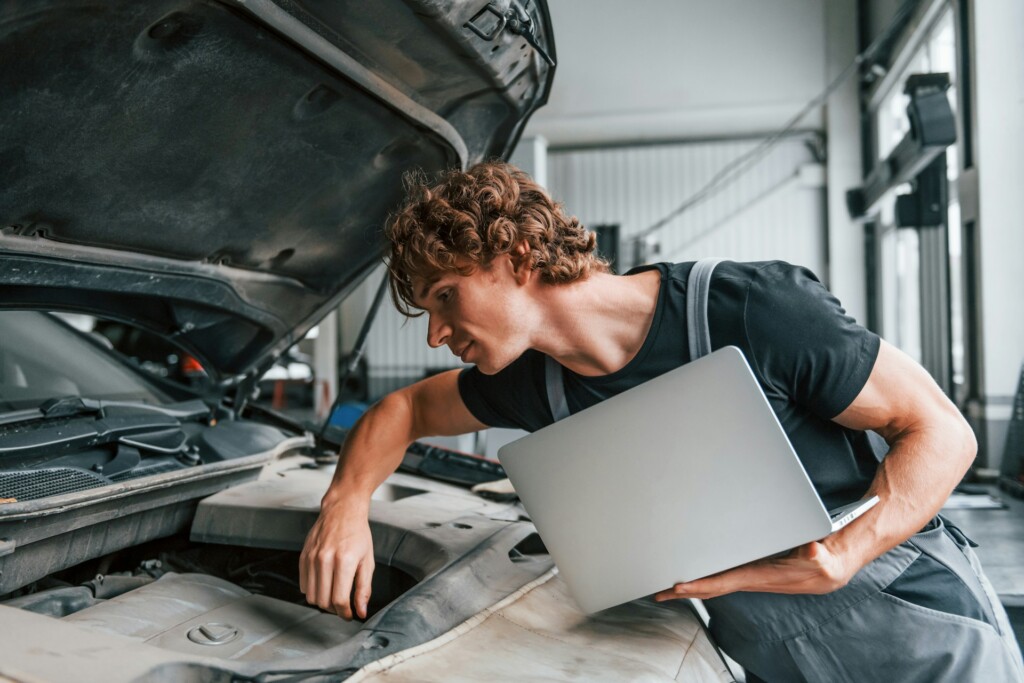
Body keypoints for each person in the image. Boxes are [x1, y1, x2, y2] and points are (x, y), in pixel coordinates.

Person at [300, 161, 1024, 681]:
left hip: (923, 634)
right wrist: (345, 505)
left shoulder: (749, 308)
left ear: (516, 255)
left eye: (446, 297)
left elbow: (944, 431)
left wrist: (845, 552)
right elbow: (403, 409)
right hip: (779, 658)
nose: (435, 335)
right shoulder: (531, 385)